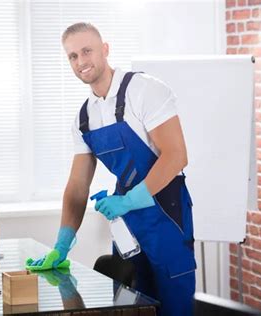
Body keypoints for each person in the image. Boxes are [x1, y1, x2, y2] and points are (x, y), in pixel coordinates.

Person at [27, 22, 196, 315]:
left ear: (105, 50)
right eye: (72, 56)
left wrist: (130, 200)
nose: (81, 61)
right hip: (127, 226)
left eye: (87, 51)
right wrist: (63, 243)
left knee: (173, 306)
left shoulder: (144, 90)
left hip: (166, 216)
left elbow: (176, 155)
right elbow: (78, 186)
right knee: (128, 307)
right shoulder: (84, 117)